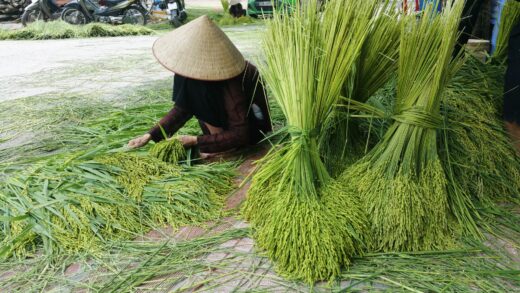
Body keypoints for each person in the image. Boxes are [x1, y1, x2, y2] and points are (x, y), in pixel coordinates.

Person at [128, 15, 272, 154]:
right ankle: (217, 140)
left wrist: (196, 140)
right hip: (225, 124)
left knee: (200, 88)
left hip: (252, 130)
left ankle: (224, 145)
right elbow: (183, 107)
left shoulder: (233, 78)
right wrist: (150, 135)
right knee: (187, 81)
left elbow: (241, 133)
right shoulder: (192, 74)